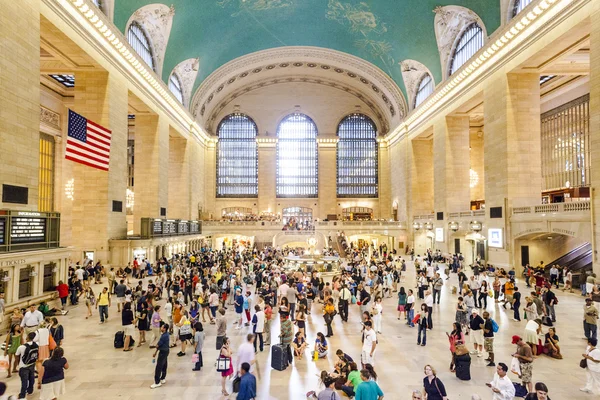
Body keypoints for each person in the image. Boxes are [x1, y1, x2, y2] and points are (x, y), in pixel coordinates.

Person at [15, 332, 39, 399]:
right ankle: (30, 391)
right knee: (32, 379)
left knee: (24, 381)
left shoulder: (21, 347)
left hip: (24, 366)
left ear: (27, 337)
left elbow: (16, 356)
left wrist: (18, 364)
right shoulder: (36, 344)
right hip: (32, 364)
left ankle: (22, 395)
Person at [151, 323, 170, 389]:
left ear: (164, 329)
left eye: (162, 327)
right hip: (166, 351)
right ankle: (163, 378)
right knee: (164, 364)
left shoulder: (163, 336)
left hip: (162, 352)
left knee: (159, 366)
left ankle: (157, 382)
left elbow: (158, 345)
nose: (160, 328)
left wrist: (155, 352)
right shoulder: (167, 334)